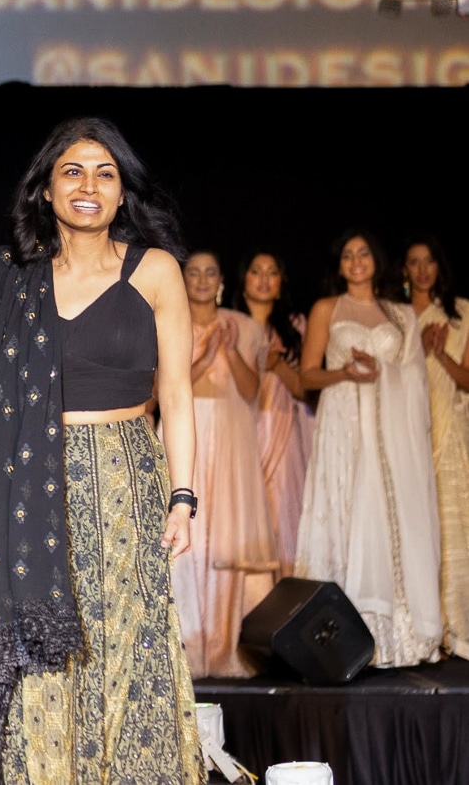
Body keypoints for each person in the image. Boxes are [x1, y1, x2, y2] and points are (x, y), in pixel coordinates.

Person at [0, 116, 203, 783]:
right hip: (33, 485)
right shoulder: (12, 280)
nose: (89, 186)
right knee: (42, 650)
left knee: (130, 638)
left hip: (126, 476)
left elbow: (178, 395)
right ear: (45, 192)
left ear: (121, 193)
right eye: (73, 172)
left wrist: (183, 496)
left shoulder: (156, 272)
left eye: (105, 174)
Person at [295, 228, 441, 668]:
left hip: (391, 438)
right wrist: (345, 373)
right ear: (339, 266)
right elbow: (306, 376)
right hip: (344, 426)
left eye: (363, 253)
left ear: (376, 260)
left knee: (386, 517)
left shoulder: (400, 315)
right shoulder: (327, 308)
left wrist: (384, 372)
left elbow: (416, 378)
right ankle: (337, 641)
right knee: (347, 515)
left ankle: (395, 636)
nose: (356, 261)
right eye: (346, 255)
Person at [169, 249, 276, 678]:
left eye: (210, 272)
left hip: (231, 445)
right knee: (186, 541)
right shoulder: (168, 321)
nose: (201, 279)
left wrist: (228, 352)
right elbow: (162, 394)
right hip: (185, 439)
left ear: (221, 281)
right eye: (192, 272)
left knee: (227, 542)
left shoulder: (246, 328)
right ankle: (188, 649)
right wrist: (205, 356)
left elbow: (253, 391)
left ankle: (228, 648)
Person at [401, 234, 468, 660]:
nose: (423, 269)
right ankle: (425, 629)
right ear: (404, 271)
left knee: (452, 527)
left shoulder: (460, 312)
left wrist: (439, 355)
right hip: (409, 430)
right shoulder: (398, 313)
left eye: (429, 261)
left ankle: (457, 627)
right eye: (413, 262)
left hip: (451, 430)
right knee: (416, 530)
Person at [230, 249, 313, 578]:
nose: (264, 279)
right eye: (256, 271)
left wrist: (276, 364)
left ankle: (285, 600)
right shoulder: (229, 324)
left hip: (281, 427)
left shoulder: (295, 328)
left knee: (282, 513)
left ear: (280, 285)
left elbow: (306, 390)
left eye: (272, 272)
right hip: (239, 432)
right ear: (244, 281)